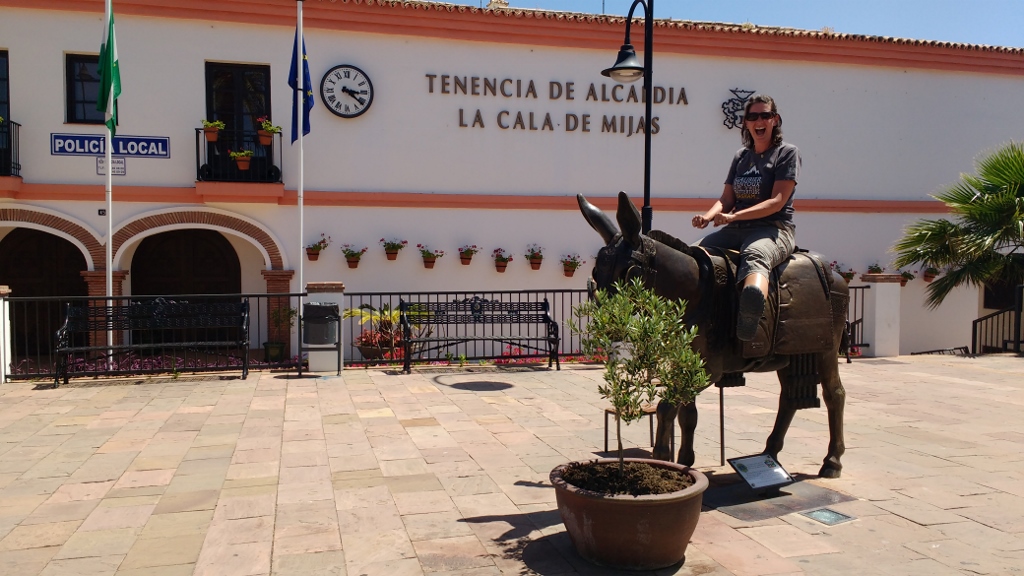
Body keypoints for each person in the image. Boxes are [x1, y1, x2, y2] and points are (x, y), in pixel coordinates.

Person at [691, 94, 800, 341]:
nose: (759, 121)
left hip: (774, 228)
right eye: (753, 116)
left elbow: (776, 202)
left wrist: (733, 217)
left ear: (775, 120)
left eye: (765, 115)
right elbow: (726, 199)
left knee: (755, 254)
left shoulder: (787, 153)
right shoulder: (741, 156)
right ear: (746, 123)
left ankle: (751, 312)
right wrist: (707, 217)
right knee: (692, 254)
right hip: (735, 229)